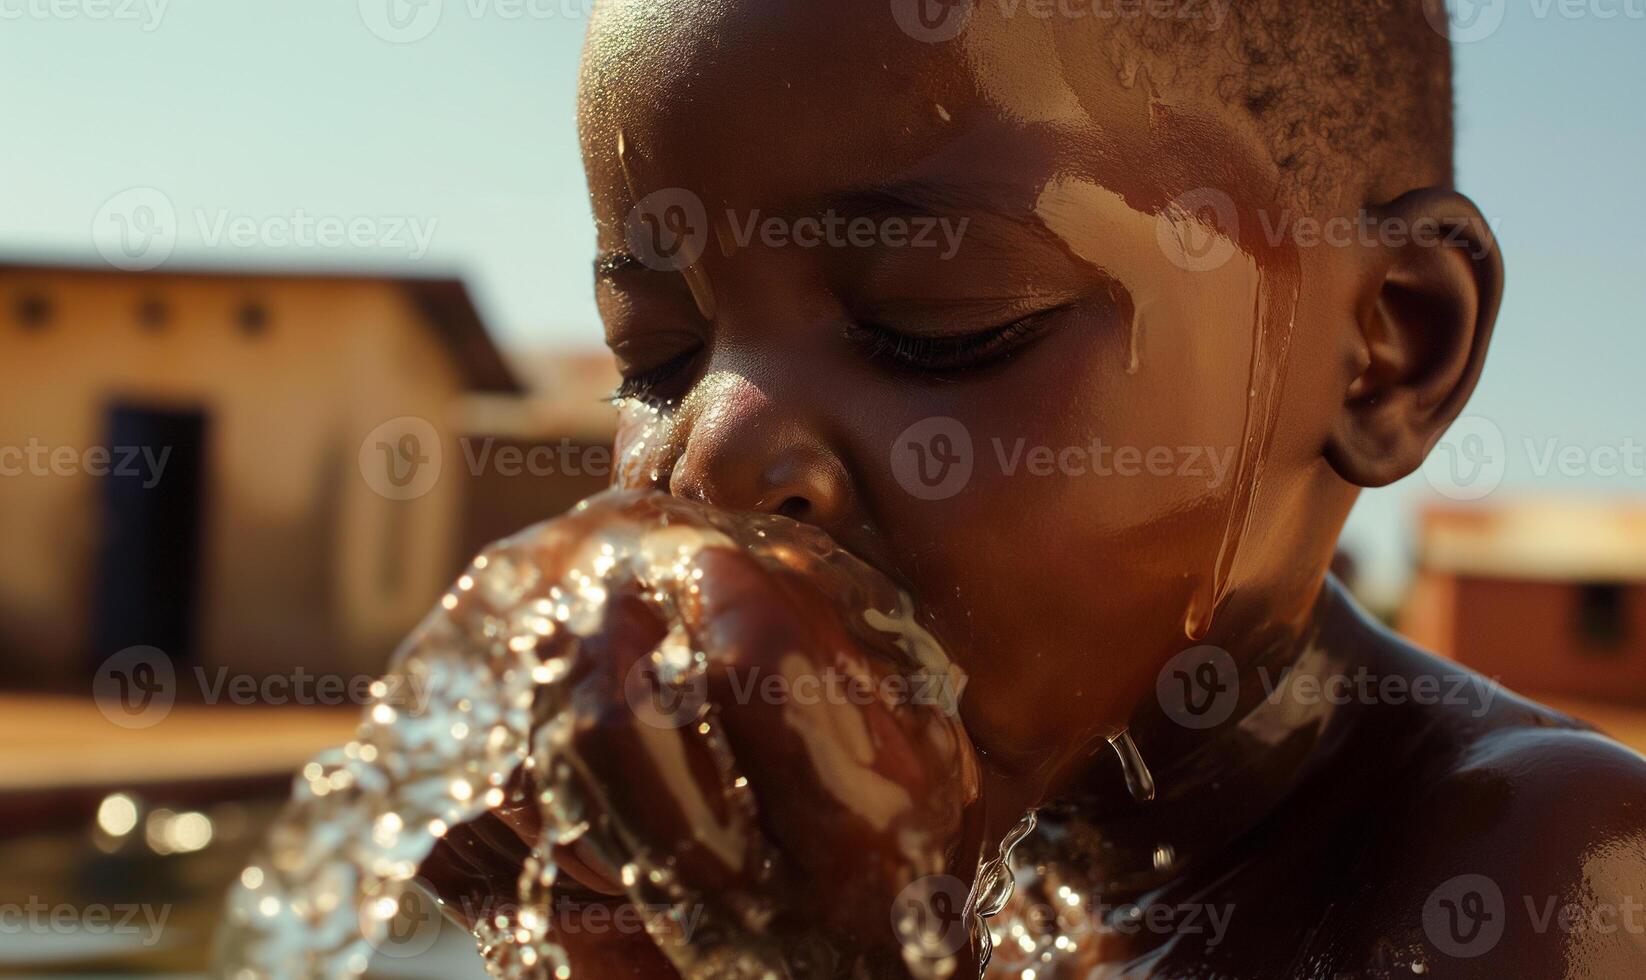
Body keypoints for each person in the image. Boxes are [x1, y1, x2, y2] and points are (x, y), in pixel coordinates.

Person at [421, 1, 1646, 976]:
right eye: (653, 352)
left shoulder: (1530, 867)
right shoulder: (1031, 874)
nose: (716, 458)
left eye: (939, 323)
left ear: (1385, 348)